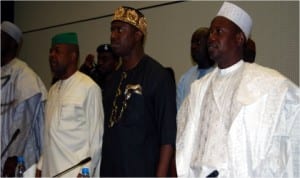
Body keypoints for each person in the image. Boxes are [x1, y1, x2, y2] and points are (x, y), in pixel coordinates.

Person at [176, 2, 300, 178]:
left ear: (239, 38)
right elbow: (183, 139)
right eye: (211, 31)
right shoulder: (198, 88)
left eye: (219, 32)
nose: (211, 37)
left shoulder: (263, 82)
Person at [100, 6, 177, 177]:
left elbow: (168, 136)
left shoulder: (158, 76)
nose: (113, 35)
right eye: (112, 30)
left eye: (120, 30)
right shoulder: (112, 80)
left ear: (137, 35)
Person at [36, 32, 104, 177]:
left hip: (75, 174)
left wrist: (84, 173)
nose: (52, 55)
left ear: (73, 56)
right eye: (50, 51)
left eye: (57, 51)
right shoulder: (53, 90)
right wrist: (40, 167)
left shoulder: (89, 88)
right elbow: (49, 137)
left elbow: (96, 141)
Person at [1, 21, 47, 177]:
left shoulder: (24, 75)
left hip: (19, 159)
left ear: (12, 44)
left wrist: (13, 155)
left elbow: (24, 121)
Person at [177, 27, 215, 109]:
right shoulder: (185, 78)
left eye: (198, 43)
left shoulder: (219, 76)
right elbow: (179, 112)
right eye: (192, 42)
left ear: (209, 45)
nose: (193, 46)